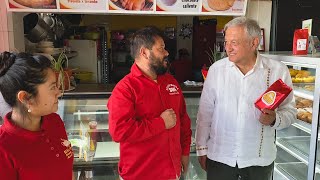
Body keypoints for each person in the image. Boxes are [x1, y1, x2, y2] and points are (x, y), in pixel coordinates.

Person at [195, 17, 297, 180]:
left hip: (258, 160)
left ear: (254, 42)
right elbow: (205, 113)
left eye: (234, 42)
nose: (228, 48)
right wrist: (201, 148)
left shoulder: (277, 71)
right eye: (226, 42)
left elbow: (290, 111)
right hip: (220, 157)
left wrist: (274, 119)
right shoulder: (216, 70)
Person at [108, 27, 192, 179]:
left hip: (172, 173)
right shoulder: (125, 89)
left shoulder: (171, 82)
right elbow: (120, 131)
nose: (166, 53)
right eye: (161, 48)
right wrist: (160, 123)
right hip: (140, 175)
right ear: (144, 52)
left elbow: (183, 121)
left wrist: (185, 152)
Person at [0, 52, 74, 179]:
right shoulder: (4, 149)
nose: (59, 93)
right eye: (52, 87)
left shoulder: (54, 121)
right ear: (26, 98)